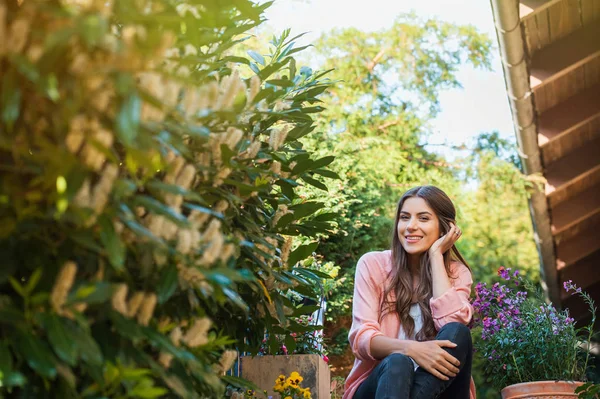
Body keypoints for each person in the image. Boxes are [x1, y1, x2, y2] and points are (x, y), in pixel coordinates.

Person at [344, 185, 475, 399]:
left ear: (444, 229)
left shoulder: (456, 273)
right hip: (379, 387)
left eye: (423, 219)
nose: (411, 226)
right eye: (404, 218)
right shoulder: (373, 264)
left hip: (439, 390)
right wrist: (412, 349)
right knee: (398, 361)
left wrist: (435, 256)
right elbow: (361, 339)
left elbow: (451, 324)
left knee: (458, 333)